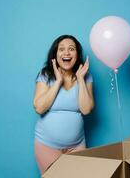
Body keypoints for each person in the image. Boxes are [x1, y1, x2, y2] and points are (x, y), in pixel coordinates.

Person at [33, 35, 94, 175]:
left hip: (77, 147)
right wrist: (58, 81)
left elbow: (86, 109)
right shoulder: (45, 75)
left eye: (71, 49)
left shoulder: (86, 76)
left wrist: (80, 79)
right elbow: (39, 107)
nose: (66, 53)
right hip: (47, 146)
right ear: (55, 55)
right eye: (62, 49)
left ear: (77, 54)